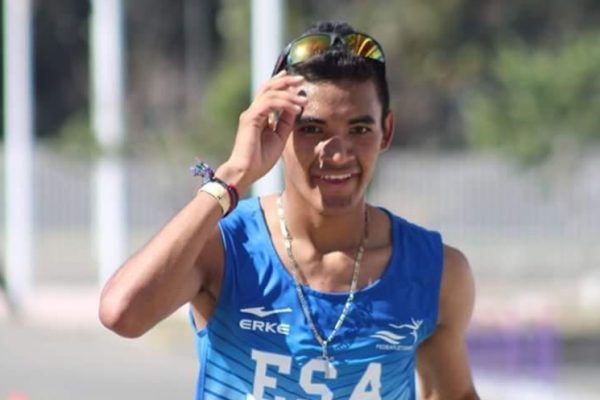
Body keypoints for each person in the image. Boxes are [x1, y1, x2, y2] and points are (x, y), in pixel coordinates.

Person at [99, 20, 479, 400]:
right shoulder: (226, 249)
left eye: (359, 130)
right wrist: (233, 174)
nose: (337, 153)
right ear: (275, 129)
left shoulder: (435, 272)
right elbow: (122, 314)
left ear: (387, 131)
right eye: (312, 130)